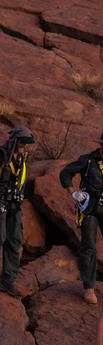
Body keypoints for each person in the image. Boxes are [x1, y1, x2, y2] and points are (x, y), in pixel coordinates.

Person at [60, 129, 103, 304]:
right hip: (90, 208)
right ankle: (89, 288)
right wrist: (73, 192)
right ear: (101, 144)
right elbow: (65, 173)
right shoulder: (88, 160)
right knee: (89, 247)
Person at [0, 126, 35, 297]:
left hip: (14, 206)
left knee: (14, 241)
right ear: (14, 139)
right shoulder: (2, 156)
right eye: (22, 142)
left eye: (26, 143)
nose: (24, 146)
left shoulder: (22, 158)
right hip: (0, 203)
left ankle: (8, 281)